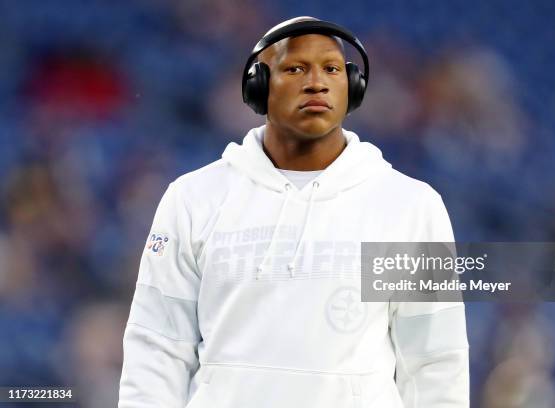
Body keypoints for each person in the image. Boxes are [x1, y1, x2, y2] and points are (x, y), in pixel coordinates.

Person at [118, 16, 469, 408]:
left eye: (332, 69)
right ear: (259, 87)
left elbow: (435, 359)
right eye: (295, 68)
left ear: (353, 88)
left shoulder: (410, 206)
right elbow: (157, 347)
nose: (316, 82)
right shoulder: (192, 198)